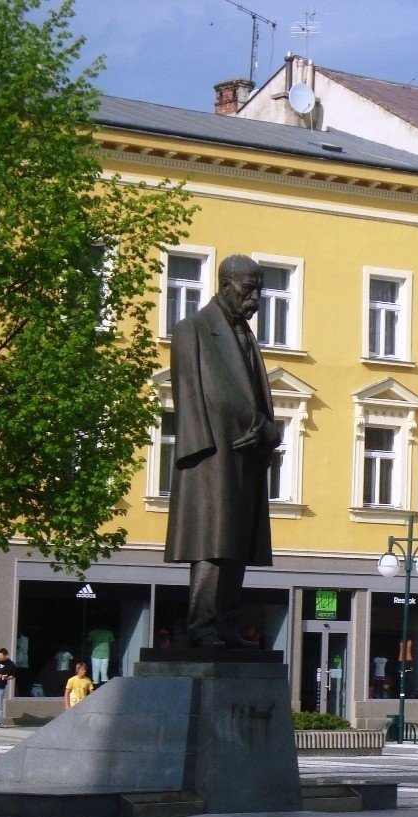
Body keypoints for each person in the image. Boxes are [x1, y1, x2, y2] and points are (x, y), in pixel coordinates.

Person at [164, 255, 281, 649]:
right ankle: (203, 627)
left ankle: (226, 626)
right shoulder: (193, 330)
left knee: (236, 548)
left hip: (247, 456)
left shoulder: (247, 337)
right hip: (212, 455)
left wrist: (266, 430)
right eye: (249, 289)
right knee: (212, 546)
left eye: (259, 290)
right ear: (226, 283)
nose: (255, 299)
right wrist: (245, 422)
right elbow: (201, 396)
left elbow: (261, 406)